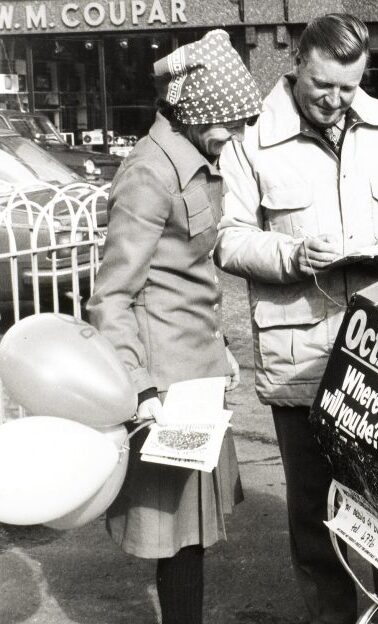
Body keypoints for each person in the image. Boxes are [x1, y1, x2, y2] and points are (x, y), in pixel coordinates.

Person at [215, 13, 378, 624]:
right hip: (305, 364)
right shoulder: (251, 141)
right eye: (322, 85)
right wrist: (292, 255)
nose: (335, 100)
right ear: (297, 62)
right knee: (318, 520)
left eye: (349, 87)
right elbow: (229, 240)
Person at [87, 30, 262, 624]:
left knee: (192, 537)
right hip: (166, 391)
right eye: (229, 123)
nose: (234, 137)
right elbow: (113, 294)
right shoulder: (150, 172)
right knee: (178, 538)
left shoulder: (192, 159)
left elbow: (189, 277)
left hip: (198, 376)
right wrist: (137, 387)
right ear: (195, 112)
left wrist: (223, 349)